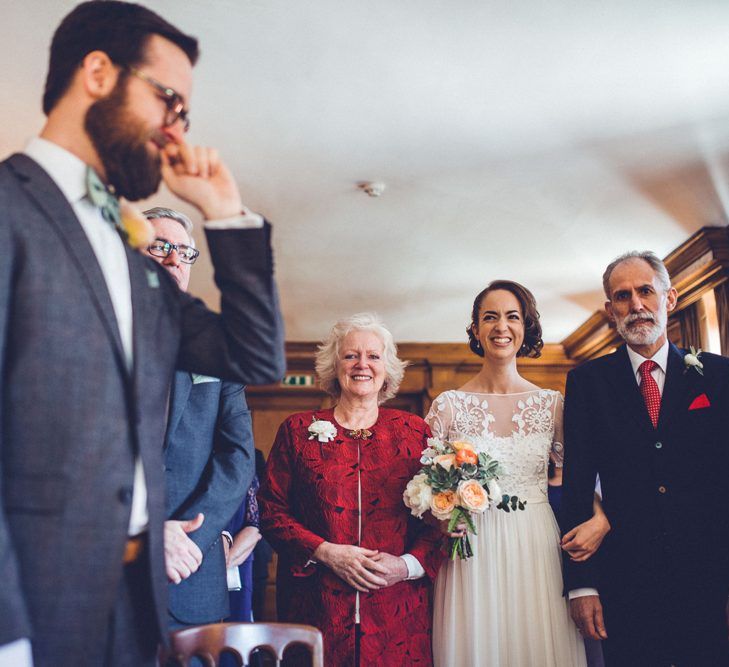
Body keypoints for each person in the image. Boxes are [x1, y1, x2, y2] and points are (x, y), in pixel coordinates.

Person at [0, 3, 285, 666]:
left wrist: (225, 215)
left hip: (137, 606)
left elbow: (255, 355)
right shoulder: (9, 210)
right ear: (97, 73)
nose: (176, 129)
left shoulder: (137, 264)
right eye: (170, 101)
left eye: (183, 115)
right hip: (34, 606)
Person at [426, 280, 609, 667]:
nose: (501, 327)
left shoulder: (551, 405)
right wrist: (442, 518)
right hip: (471, 551)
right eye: (489, 317)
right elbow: (424, 487)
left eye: (512, 317)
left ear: (526, 327)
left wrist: (603, 517)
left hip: (536, 543)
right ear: (475, 329)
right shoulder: (449, 406)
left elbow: (588, 478)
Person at [561, 251, 729, 666]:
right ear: (609, 310)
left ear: (669, 299)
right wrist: (583, 586)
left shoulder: (720, 376)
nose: (635, 304)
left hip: (709, 577)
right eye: (623, 296)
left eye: (645, 291)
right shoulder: (587, 383)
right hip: (626, 579)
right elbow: (577, 483)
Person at [259, 313, 444, 666]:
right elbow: (270, 511)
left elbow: (439, 520)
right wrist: (327, 552)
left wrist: (405, 566)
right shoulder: (298, 430)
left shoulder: (415, 432)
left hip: (397, 615)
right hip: (315, 609)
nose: (362, 365)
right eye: (350, 356)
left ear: (386, 368)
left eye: (373, 356)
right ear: (334, 365)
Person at [141, 207, 256, 630]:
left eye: (186, 253)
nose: (175, 260)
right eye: (161, 247)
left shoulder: (218, 346)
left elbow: (238, 457)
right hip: (104, 571)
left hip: (191, 577)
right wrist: (149, 531)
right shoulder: (91, 337)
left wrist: (187, 537)